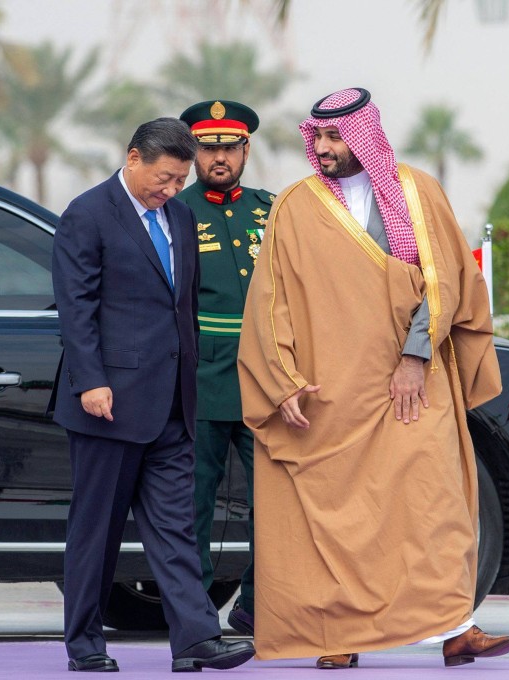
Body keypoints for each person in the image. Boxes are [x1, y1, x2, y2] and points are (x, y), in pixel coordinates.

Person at [237, 88, 509, 669]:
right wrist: (282, 380)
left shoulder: (417, 193)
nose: (325, 147)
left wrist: (415, 359)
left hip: (413, 386)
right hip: (329, 394)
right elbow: (271, 302)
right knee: (338, 520)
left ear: (366, 135)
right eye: (317, 137)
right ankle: (335, 637)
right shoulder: (295, 205)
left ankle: (457, 628)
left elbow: (445, 284)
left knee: (435, 506)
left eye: (337, 136)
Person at [51, 117, 255, 673]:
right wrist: (91, 380)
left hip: (172, 405)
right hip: (109, 403)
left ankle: (194, 640)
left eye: (177, 180)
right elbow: (77, 308)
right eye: (163, 179)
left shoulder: (181, 217)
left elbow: (182, 307)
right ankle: (85, 646)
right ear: (134, 158)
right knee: (98, 533)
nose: (170, 190)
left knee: (176, 530)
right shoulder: (88, 214)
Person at [175, 99, 276, 636]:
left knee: (275, 501)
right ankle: (195, 611)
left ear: (245, 149)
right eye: (209, 148)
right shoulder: (174, 209)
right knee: (195, 502)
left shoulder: (270, 210)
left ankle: (256, 605)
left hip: (264, 375)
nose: (220, 157)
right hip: (199, 374)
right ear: (194, 151)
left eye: (229, 147)